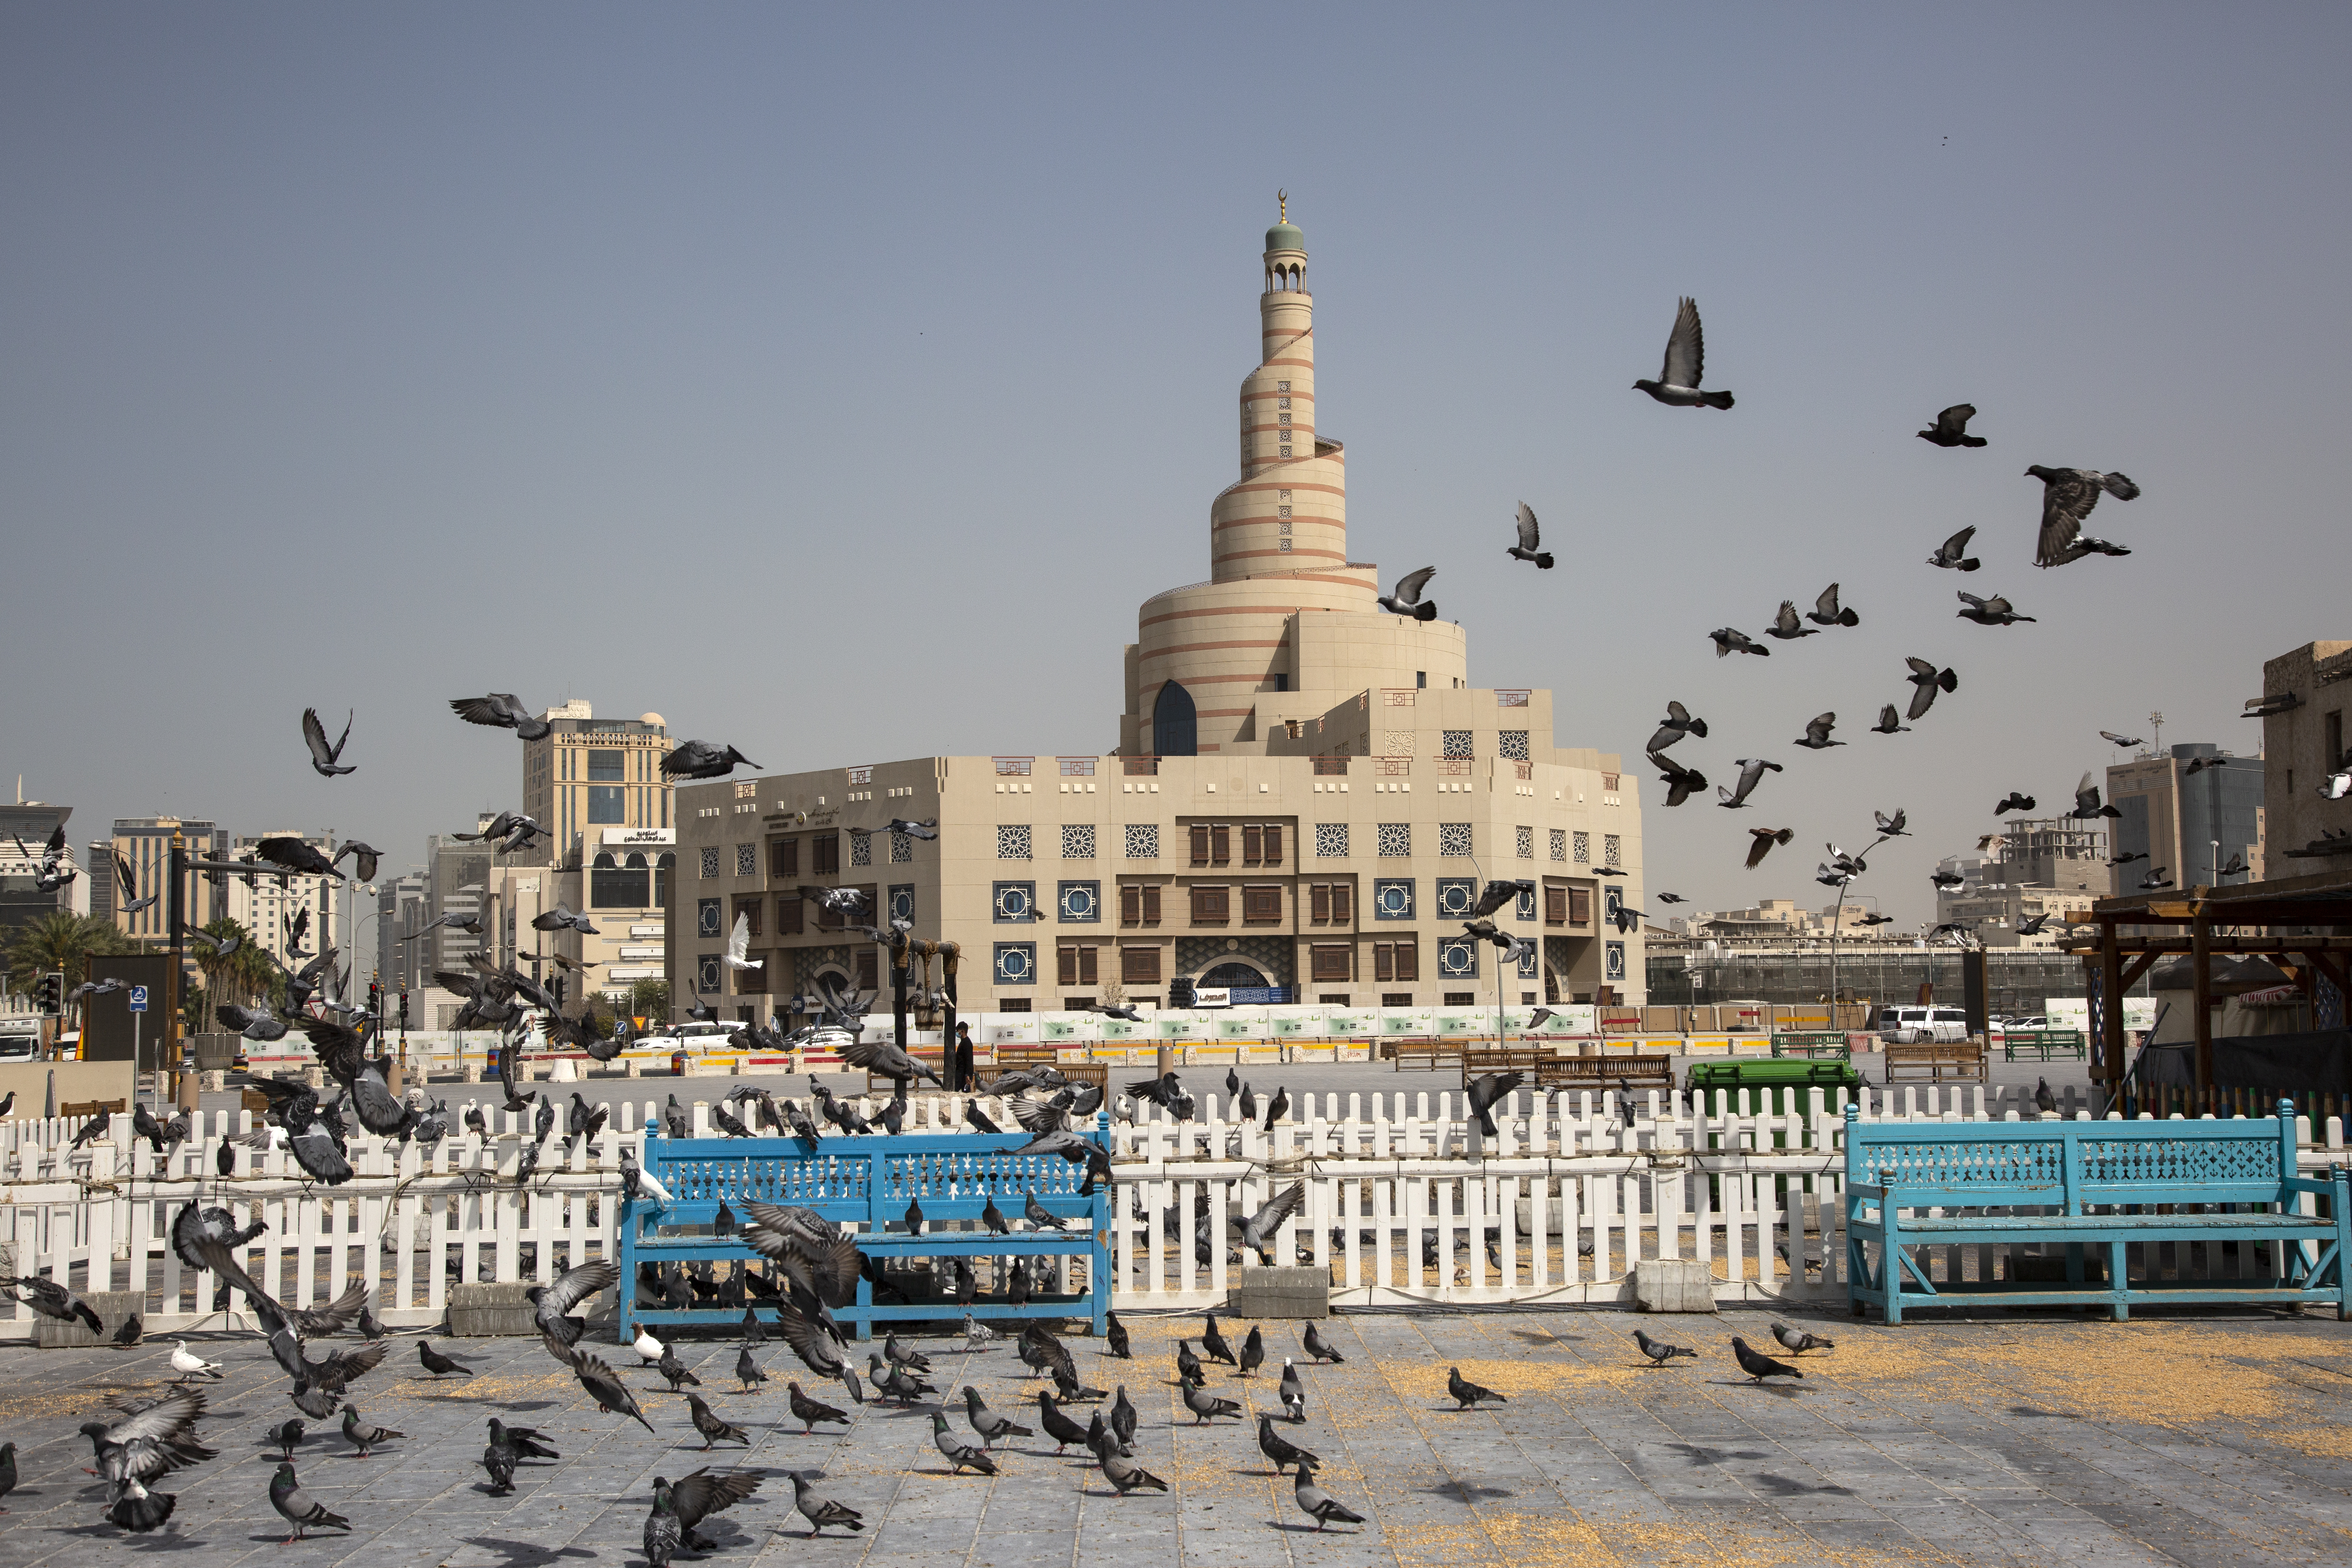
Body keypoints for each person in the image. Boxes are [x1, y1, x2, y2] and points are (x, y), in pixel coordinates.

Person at [952, 1021, 975, 1092]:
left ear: (962, 1031)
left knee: (964, 1092)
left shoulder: (967, 1043)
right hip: (960, 1072)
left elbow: (969, 1060)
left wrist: (968, 1075)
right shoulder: (963, 1042)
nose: (956, 1032)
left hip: (964, 1074)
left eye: (957, 1031)